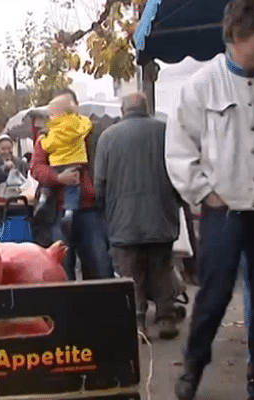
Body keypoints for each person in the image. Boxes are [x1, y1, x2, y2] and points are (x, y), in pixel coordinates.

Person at [165, 1, 254, 398]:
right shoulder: (200, 86)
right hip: (225, 211)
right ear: (239, 36)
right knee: (214, 296)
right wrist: (205, 193)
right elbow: (180, 148)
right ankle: (192, 368)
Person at [94, 92, 181, 340]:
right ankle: (166, 318)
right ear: (147, 108)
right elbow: (178, 172)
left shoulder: (108, 137)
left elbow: (100, 182)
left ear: (122, 111)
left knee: (131, 273)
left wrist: (106, 210)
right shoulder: (165, 132)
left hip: (123, 219)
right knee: (162, 268)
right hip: (161, 215)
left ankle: (138, 322)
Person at [30, 90, 113, 281]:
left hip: (91, 209)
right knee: (61, 268)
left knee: (99, 264)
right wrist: (59, 178)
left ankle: (99, 306)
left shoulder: (92, 133)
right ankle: (67, 309)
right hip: (58, 210)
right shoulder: (46, 137)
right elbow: (36, 168)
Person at [39, 93, 92, 241]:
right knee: (73, 187)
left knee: (63, 256)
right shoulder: (83, 127)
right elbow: (37, 167)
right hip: (78, 167)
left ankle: (43, 198)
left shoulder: (51, 131)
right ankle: (70, 211)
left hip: (57, 166)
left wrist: (56, 178)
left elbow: (45, 149)